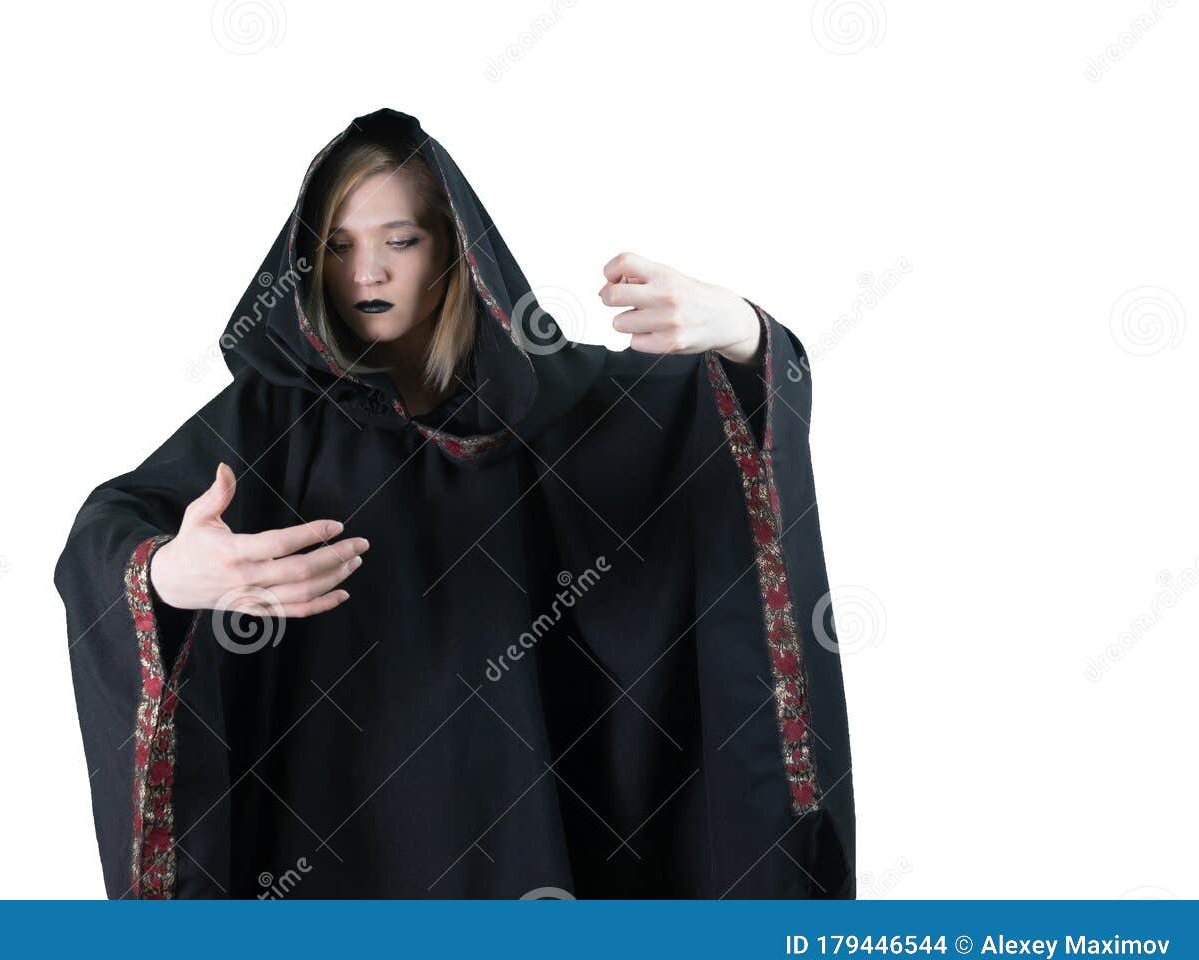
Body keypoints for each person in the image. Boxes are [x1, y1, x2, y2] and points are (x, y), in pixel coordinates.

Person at [54, 107, 855, 899]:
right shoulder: (269, 421)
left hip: (538, 840)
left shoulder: (561, 404)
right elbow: (107, 533)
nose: (367, 273)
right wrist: (168, 576)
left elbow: (727, 442)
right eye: (339, 247)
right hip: (322, 837)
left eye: (400, 240)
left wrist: (748, 340)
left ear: (455, 248)